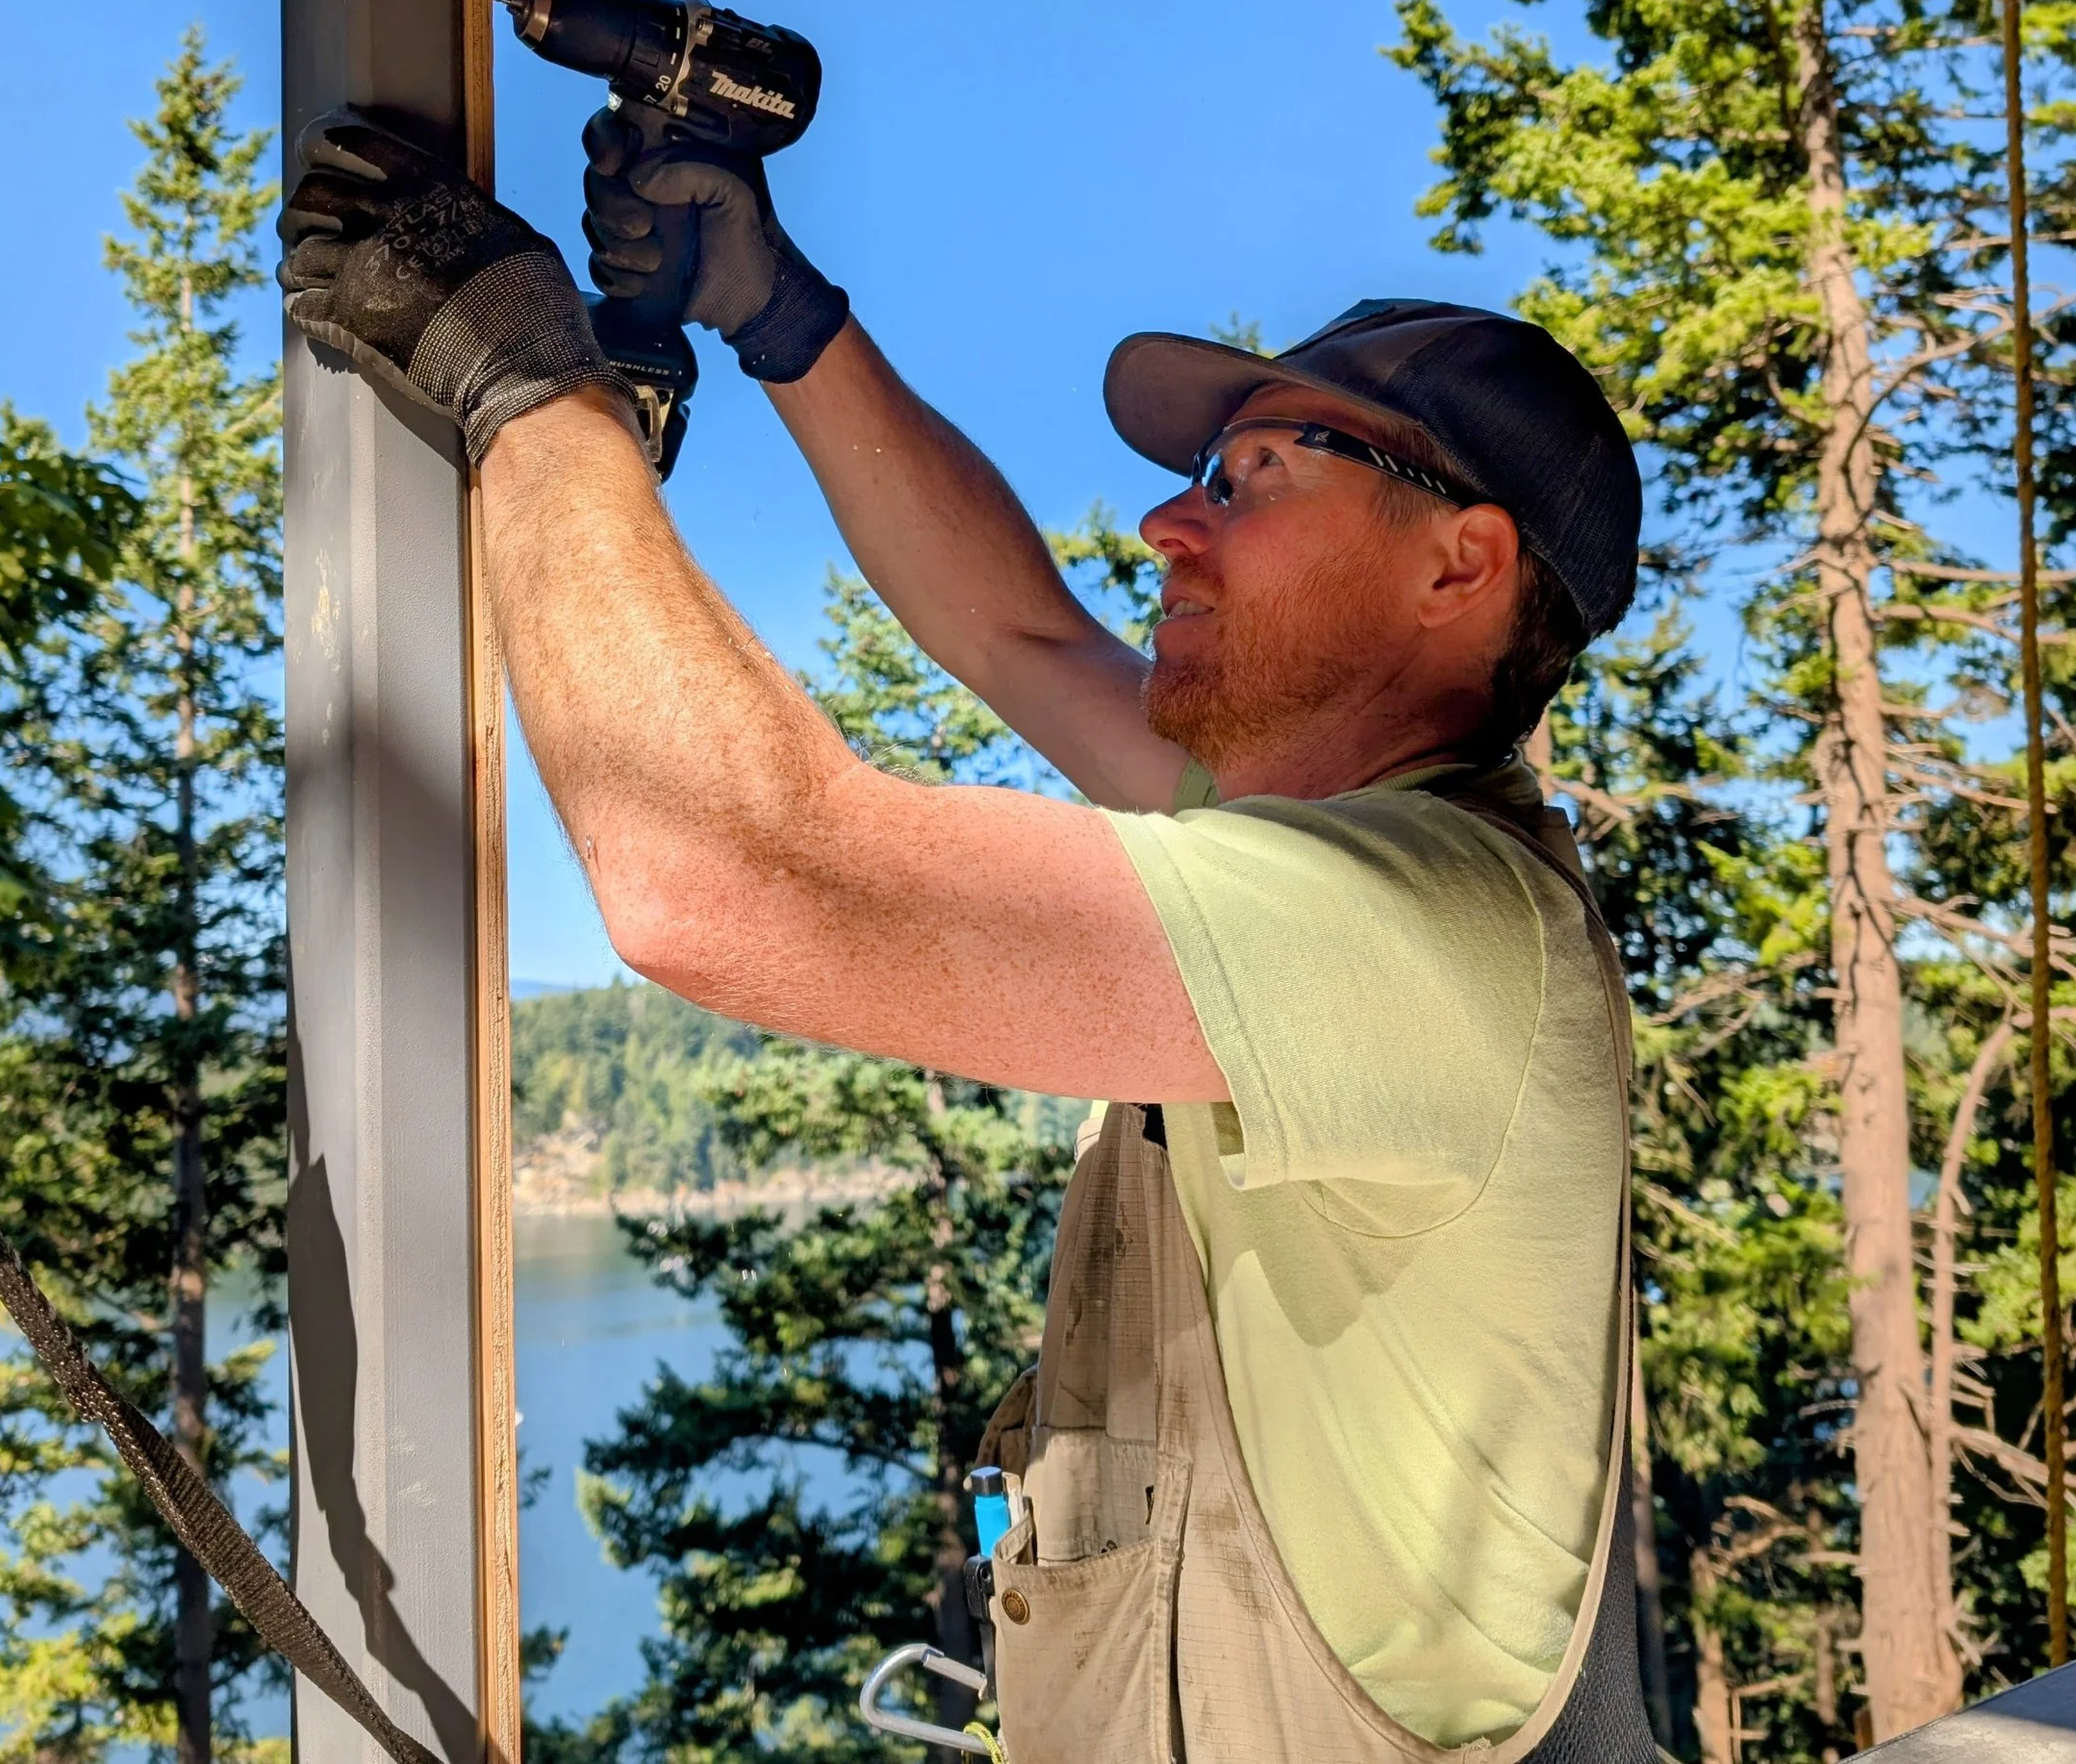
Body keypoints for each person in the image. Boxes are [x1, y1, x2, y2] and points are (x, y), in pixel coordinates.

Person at [277, 107, 1655, 1764]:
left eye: (1259, 476)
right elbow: (1020, 636)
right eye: (1202, 478)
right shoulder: (1334, 844)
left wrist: (524, 380)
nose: (1170, 526)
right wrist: (782, 318)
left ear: (1460, 566)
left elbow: (729, 872)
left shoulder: (1416, 930)